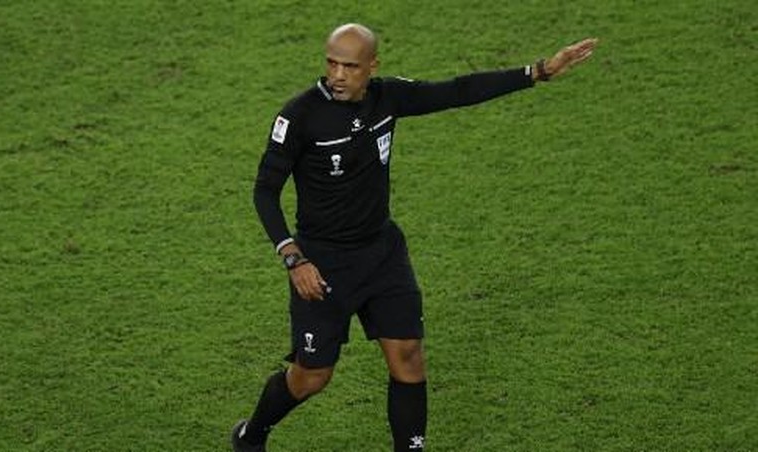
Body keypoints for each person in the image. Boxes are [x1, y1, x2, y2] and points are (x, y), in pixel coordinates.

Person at [232, 23, 598, 452]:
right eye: (332, 63)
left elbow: (457, 90)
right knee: (313, 377)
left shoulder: (389, 97)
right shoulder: (299, 116)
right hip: (323, 264)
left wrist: (538, 71)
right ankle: (251, 434)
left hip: (382, 254)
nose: (338, 75)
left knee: (407, 357)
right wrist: (294, 258)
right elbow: (264, 191)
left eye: (350, 66)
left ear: (372, 67)